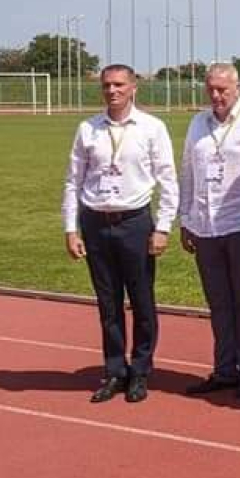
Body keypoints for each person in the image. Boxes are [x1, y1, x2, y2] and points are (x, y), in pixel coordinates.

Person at [62, 64, 178, 404]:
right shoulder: (88, 129)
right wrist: (71, 228)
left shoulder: (151, 128)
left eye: (119, 85)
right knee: (108, 304)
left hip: (135, 223)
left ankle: (140, 371)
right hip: (96, 223)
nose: (112, 91)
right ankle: (115, 370)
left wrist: (163, 227)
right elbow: (73, 180)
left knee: (142, 302)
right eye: (106, 85)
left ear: (133, 87)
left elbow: (168, 180)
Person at [178, 63, 240, 398]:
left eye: (223, 90)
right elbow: (188, 171)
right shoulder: (198, 123)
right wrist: (186, 219)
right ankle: (224, 370)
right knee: (218, 301)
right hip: (205, 225)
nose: (217, 96)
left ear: (238, 88)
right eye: (212, 90)